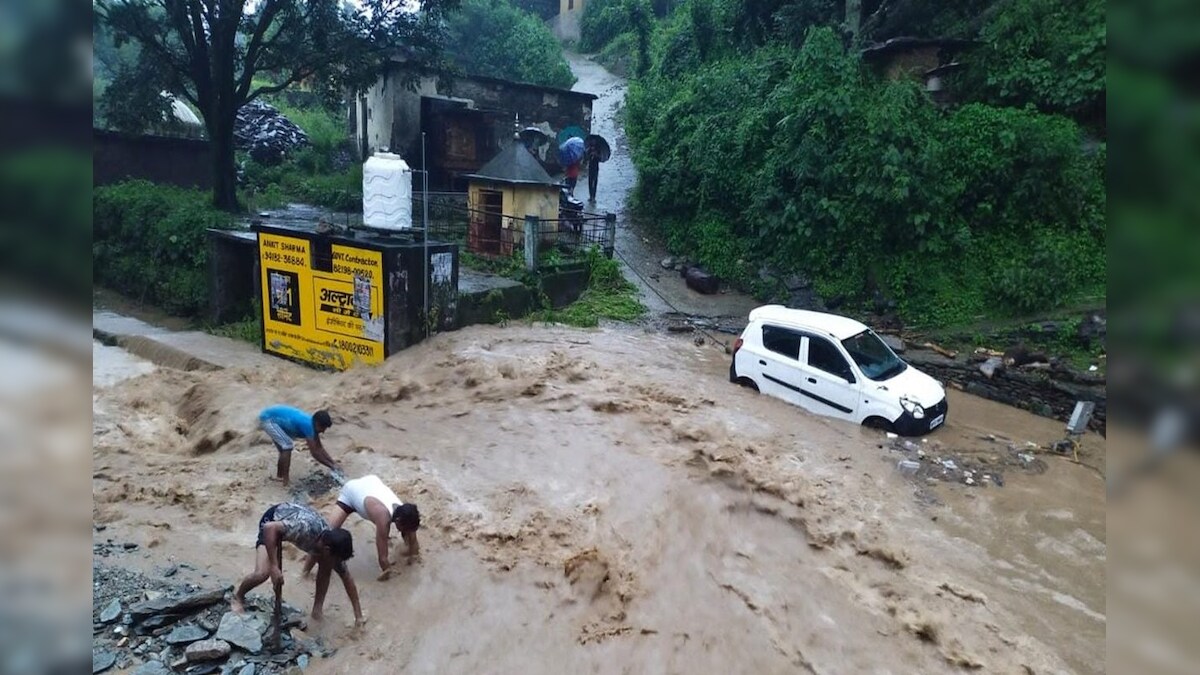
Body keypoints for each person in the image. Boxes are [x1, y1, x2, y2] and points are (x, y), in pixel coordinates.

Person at [232, 502, 365, 626]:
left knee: (326, 568)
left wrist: (358, 617)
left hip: (292, 523)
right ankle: (238, 597)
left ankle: (317, 611)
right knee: (262, 573)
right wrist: (273, 565)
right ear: (327, 550)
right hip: (273, 519)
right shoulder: (304, 529)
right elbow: (269, 528)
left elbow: (347, 578)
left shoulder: (330, 545)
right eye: (336, 559)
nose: (337, 562)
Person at [302, 474, 421, 582]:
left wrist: (413, 558)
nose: (407, 531)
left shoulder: (406, 512)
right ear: (398, 521)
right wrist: (393, 579)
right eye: (405, 529)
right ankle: (305, 572)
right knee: (325, 536)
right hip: (352, 492)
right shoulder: (383, 518)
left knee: (408, 533)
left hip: (371, 483)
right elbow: (383, 559)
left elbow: (414, 545)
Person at [258, 405, 340, 485]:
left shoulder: (312, 424)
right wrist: (331, 466)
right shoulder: (308, 426)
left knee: (284, 449)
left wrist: (333, 463)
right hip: (268, 419)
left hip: (274, 418)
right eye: (323, 428)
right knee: (287, 446)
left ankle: (280, 477)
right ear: (317, 423)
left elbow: (319, 447)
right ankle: (285, 481)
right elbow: (315, 453)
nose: (323, 431)